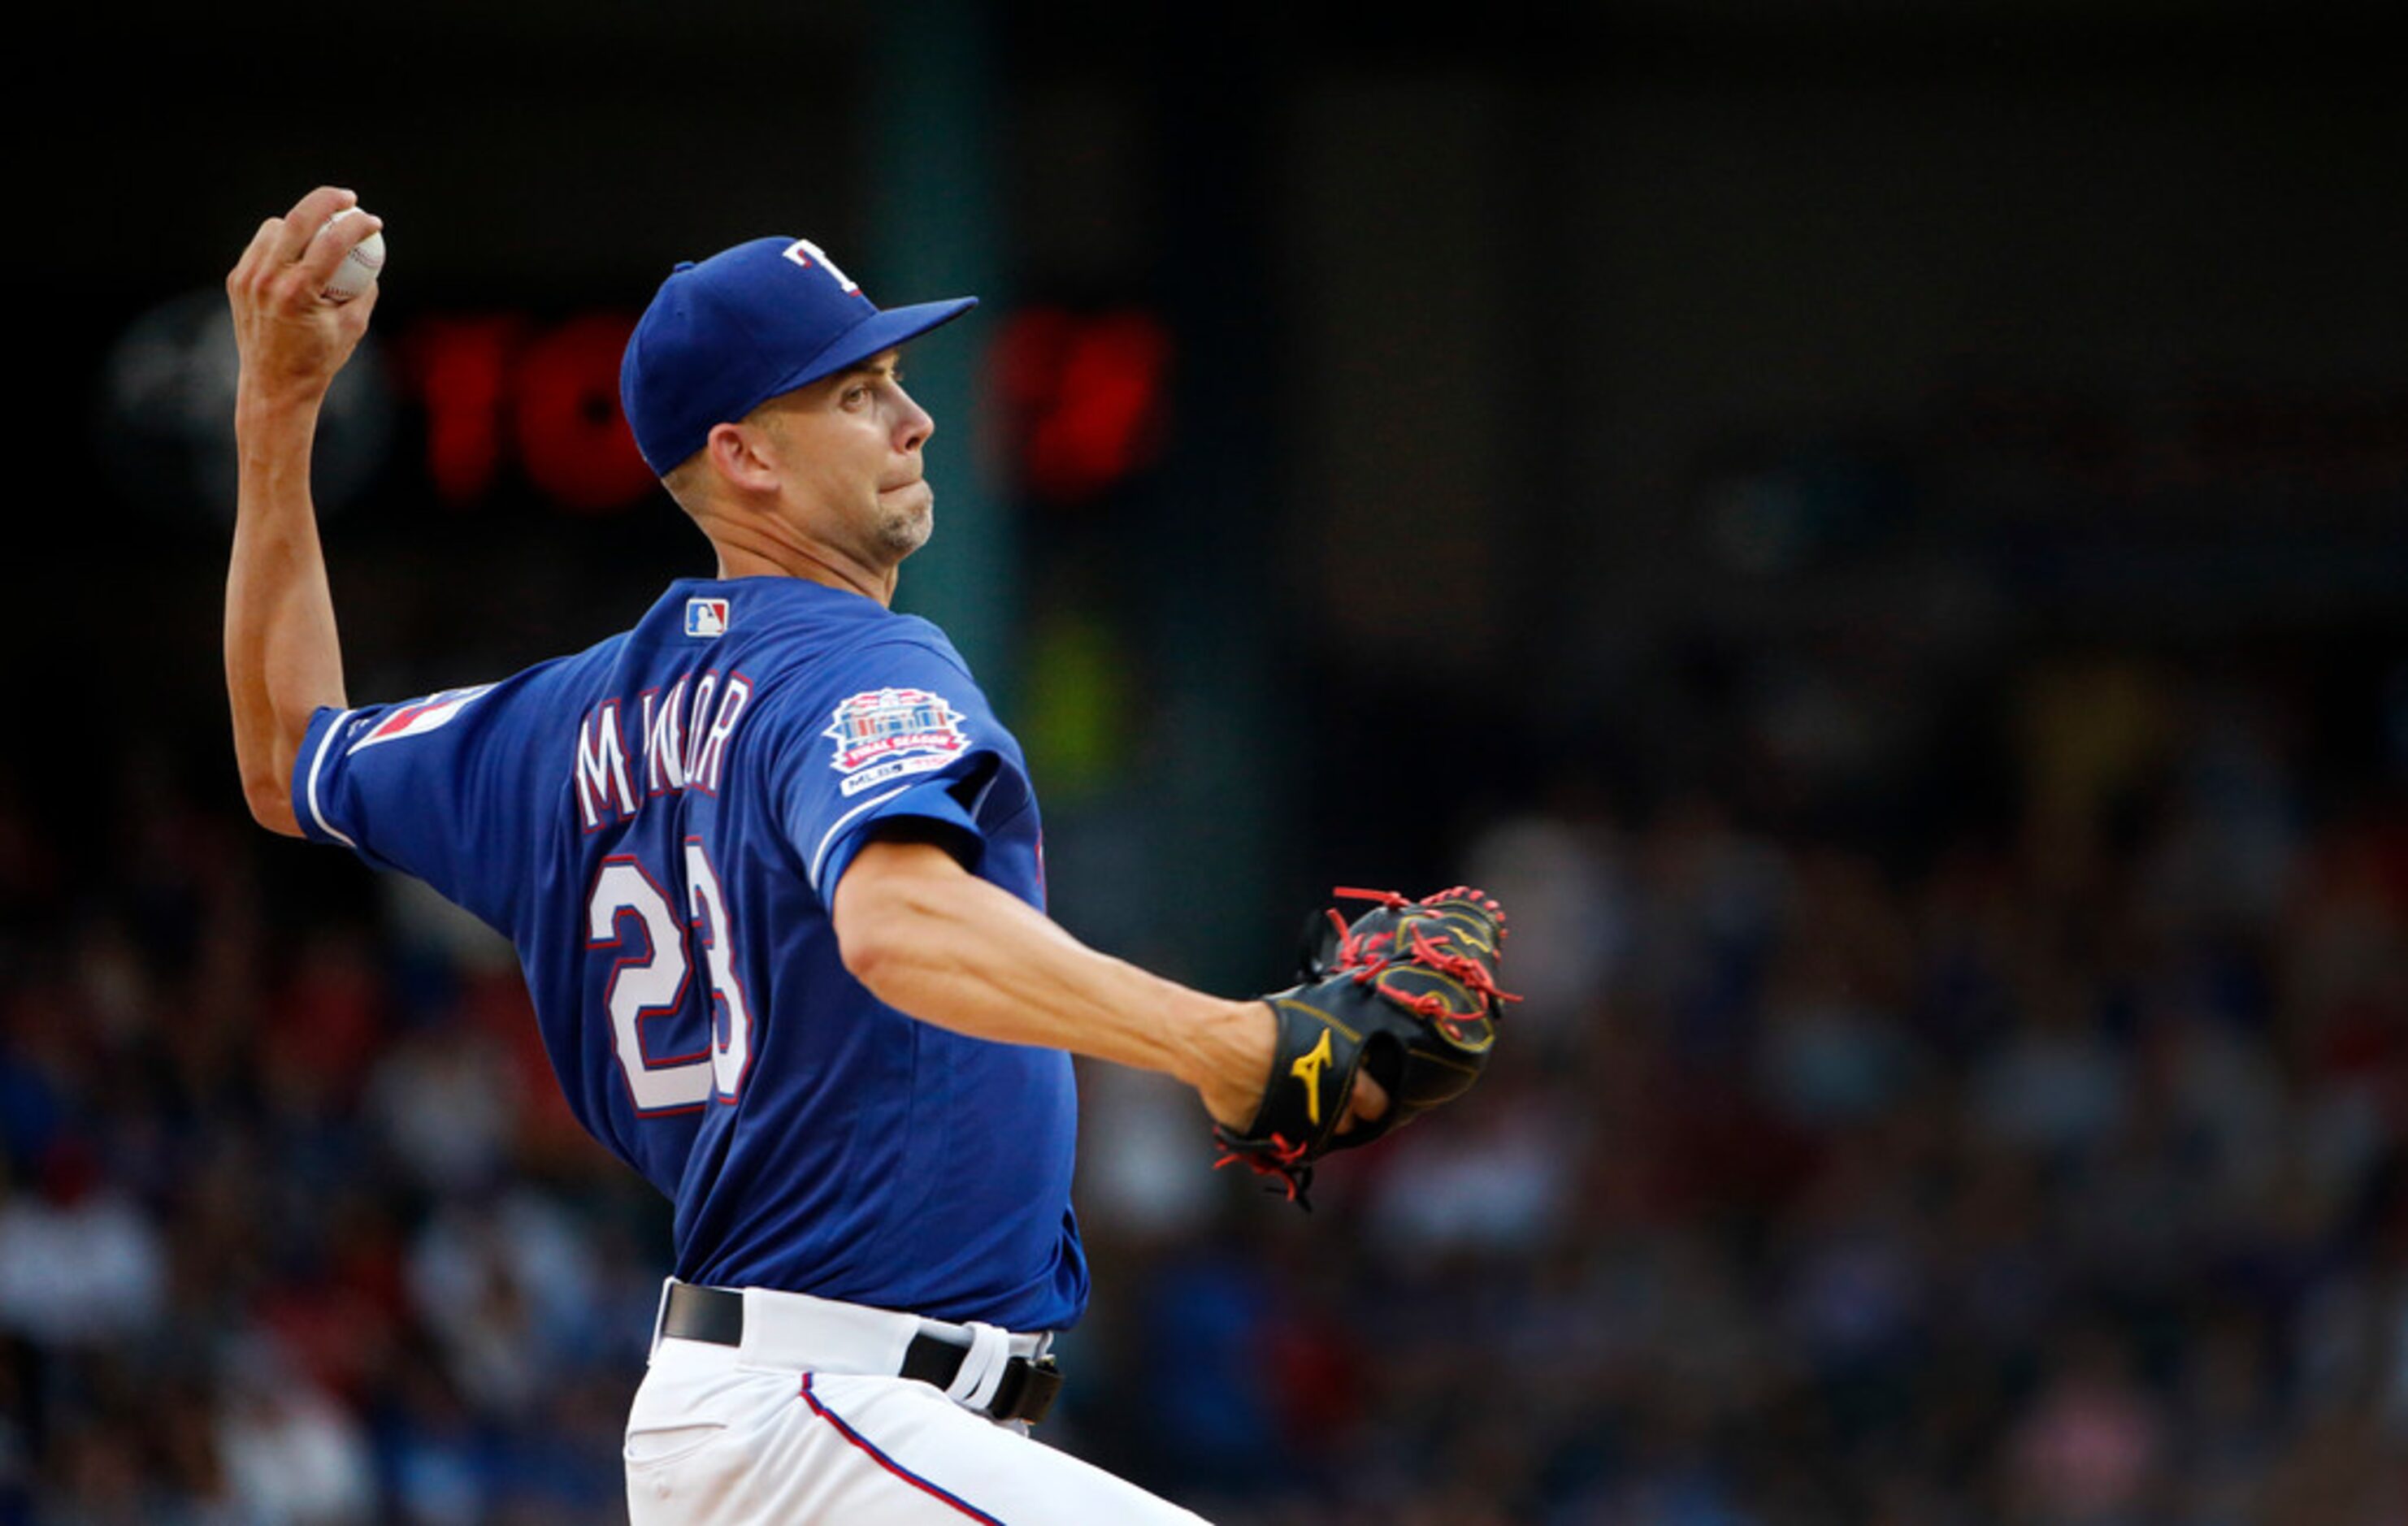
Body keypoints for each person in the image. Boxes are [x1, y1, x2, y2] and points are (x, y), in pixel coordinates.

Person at [223, 186, 1387, 1524]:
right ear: (747, 457)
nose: (917, 418)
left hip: (802, 1425)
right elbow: (895, 925)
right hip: (830, 1416)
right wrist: (1234, 1045)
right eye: (859, 392)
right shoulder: (852, 661)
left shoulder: (557, 722)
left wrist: (274, 414)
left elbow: (284, 753)